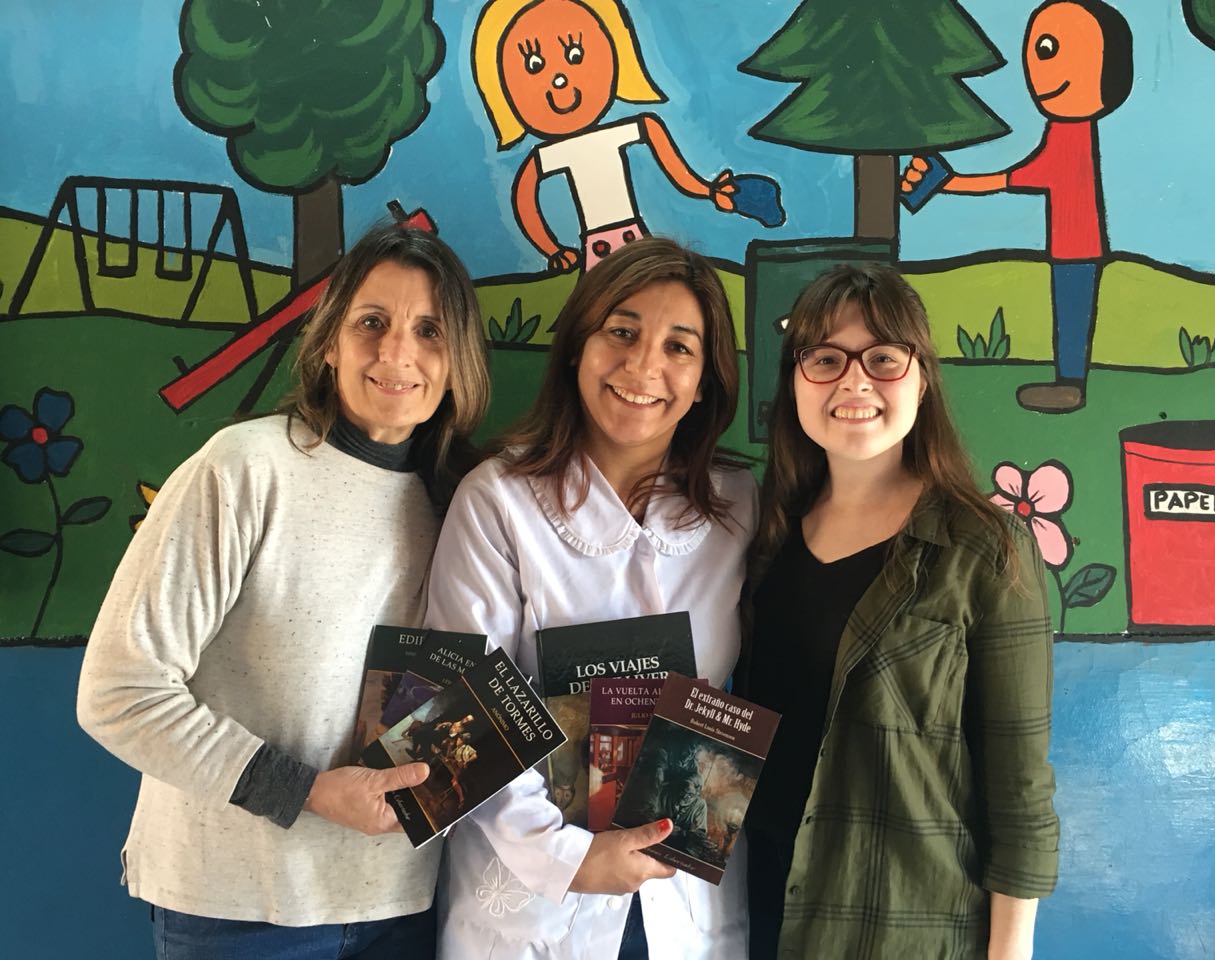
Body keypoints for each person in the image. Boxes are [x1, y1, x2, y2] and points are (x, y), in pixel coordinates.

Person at [76, 222, 490, 959]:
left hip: (404, 904)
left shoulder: (463, 506)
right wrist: (304, 790)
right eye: (372, 323)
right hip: (238, 909)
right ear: (329, 342)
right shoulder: (243, 471)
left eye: (429, 331)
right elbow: (118, 692)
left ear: (459, 360)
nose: (398, 353)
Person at [425, 237, 756, 959]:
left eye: (680, 347)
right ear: (577, 346)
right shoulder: (499, 501)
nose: (644, 367)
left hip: (685, 899)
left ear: (705, 381)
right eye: (622, 332)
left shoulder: (739, 507)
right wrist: (566, 857)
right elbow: (457, 712)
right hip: (532, 901)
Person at [738, 264, 1059, 959]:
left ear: (921, 378)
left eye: (883, 358)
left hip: (903, 925)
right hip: (756, 908)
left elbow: (1021, 789)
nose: (855, 382)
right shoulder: (763, 535)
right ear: (794, 380)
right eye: (825, 359)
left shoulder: (986, 549)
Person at [901, 0, 1133, 413]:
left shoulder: (1070, 135)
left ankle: (1071, 385)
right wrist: (952, 183)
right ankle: (1069, 381)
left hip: (1076, 244)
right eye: (1039, 50)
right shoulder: (1065, 131)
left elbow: (1020, 177)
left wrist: (953, 183)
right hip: (1071, 242)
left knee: (1072, 311)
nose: (1038, 69)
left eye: (1050, 49)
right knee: (1070, 310)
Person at [472, 0, 739, 271]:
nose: (559, 78)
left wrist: (706, 189)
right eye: (534, 65)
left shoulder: (626, 129)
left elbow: (655, 136)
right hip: (597, 246)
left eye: (575, 55)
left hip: (633, 237)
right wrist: (552, 250)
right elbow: (524, 195)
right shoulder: (551, 153)